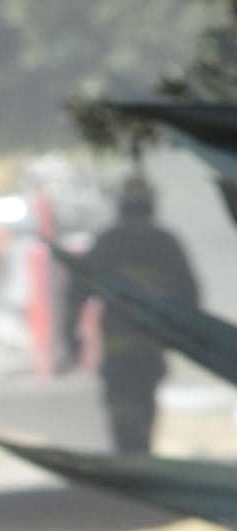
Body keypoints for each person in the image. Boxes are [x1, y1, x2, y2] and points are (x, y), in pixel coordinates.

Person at [78, 174, 199, 457]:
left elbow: (76, 290)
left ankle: (130, 453)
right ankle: (138, 452)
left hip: (120, 347)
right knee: (142, 402)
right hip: (149, 345)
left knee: (124, 402)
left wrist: (70, 335)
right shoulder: (165, 243)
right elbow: (190, 296)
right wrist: (184, 336)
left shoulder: (109, 241)